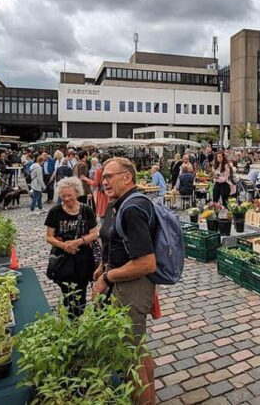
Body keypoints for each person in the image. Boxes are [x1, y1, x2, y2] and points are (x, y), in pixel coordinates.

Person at [91, 157, 157, 405]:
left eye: (109, 176)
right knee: (137, 349)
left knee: (132, 356)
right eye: (103, 177)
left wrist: (106, 278)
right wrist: (101, 266)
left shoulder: (132, 209)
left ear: (127, 177)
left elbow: (146, 263)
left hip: (132, 286)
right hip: (120, 281)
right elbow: (111, 240)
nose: (104, 181)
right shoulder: (116, 203)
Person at [45, 177, 99, 317]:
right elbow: (49, 236)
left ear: (77, 193)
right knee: (67, 292)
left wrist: (78, 242)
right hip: (63, 259)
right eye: (63, 196)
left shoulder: (86, 210)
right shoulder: (55, 212)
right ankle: (70, 317)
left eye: (69, 195)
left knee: (81, 290)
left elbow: (94, 234)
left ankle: (77, 317)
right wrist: (64, 245)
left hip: (83, 258)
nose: (66, 199)